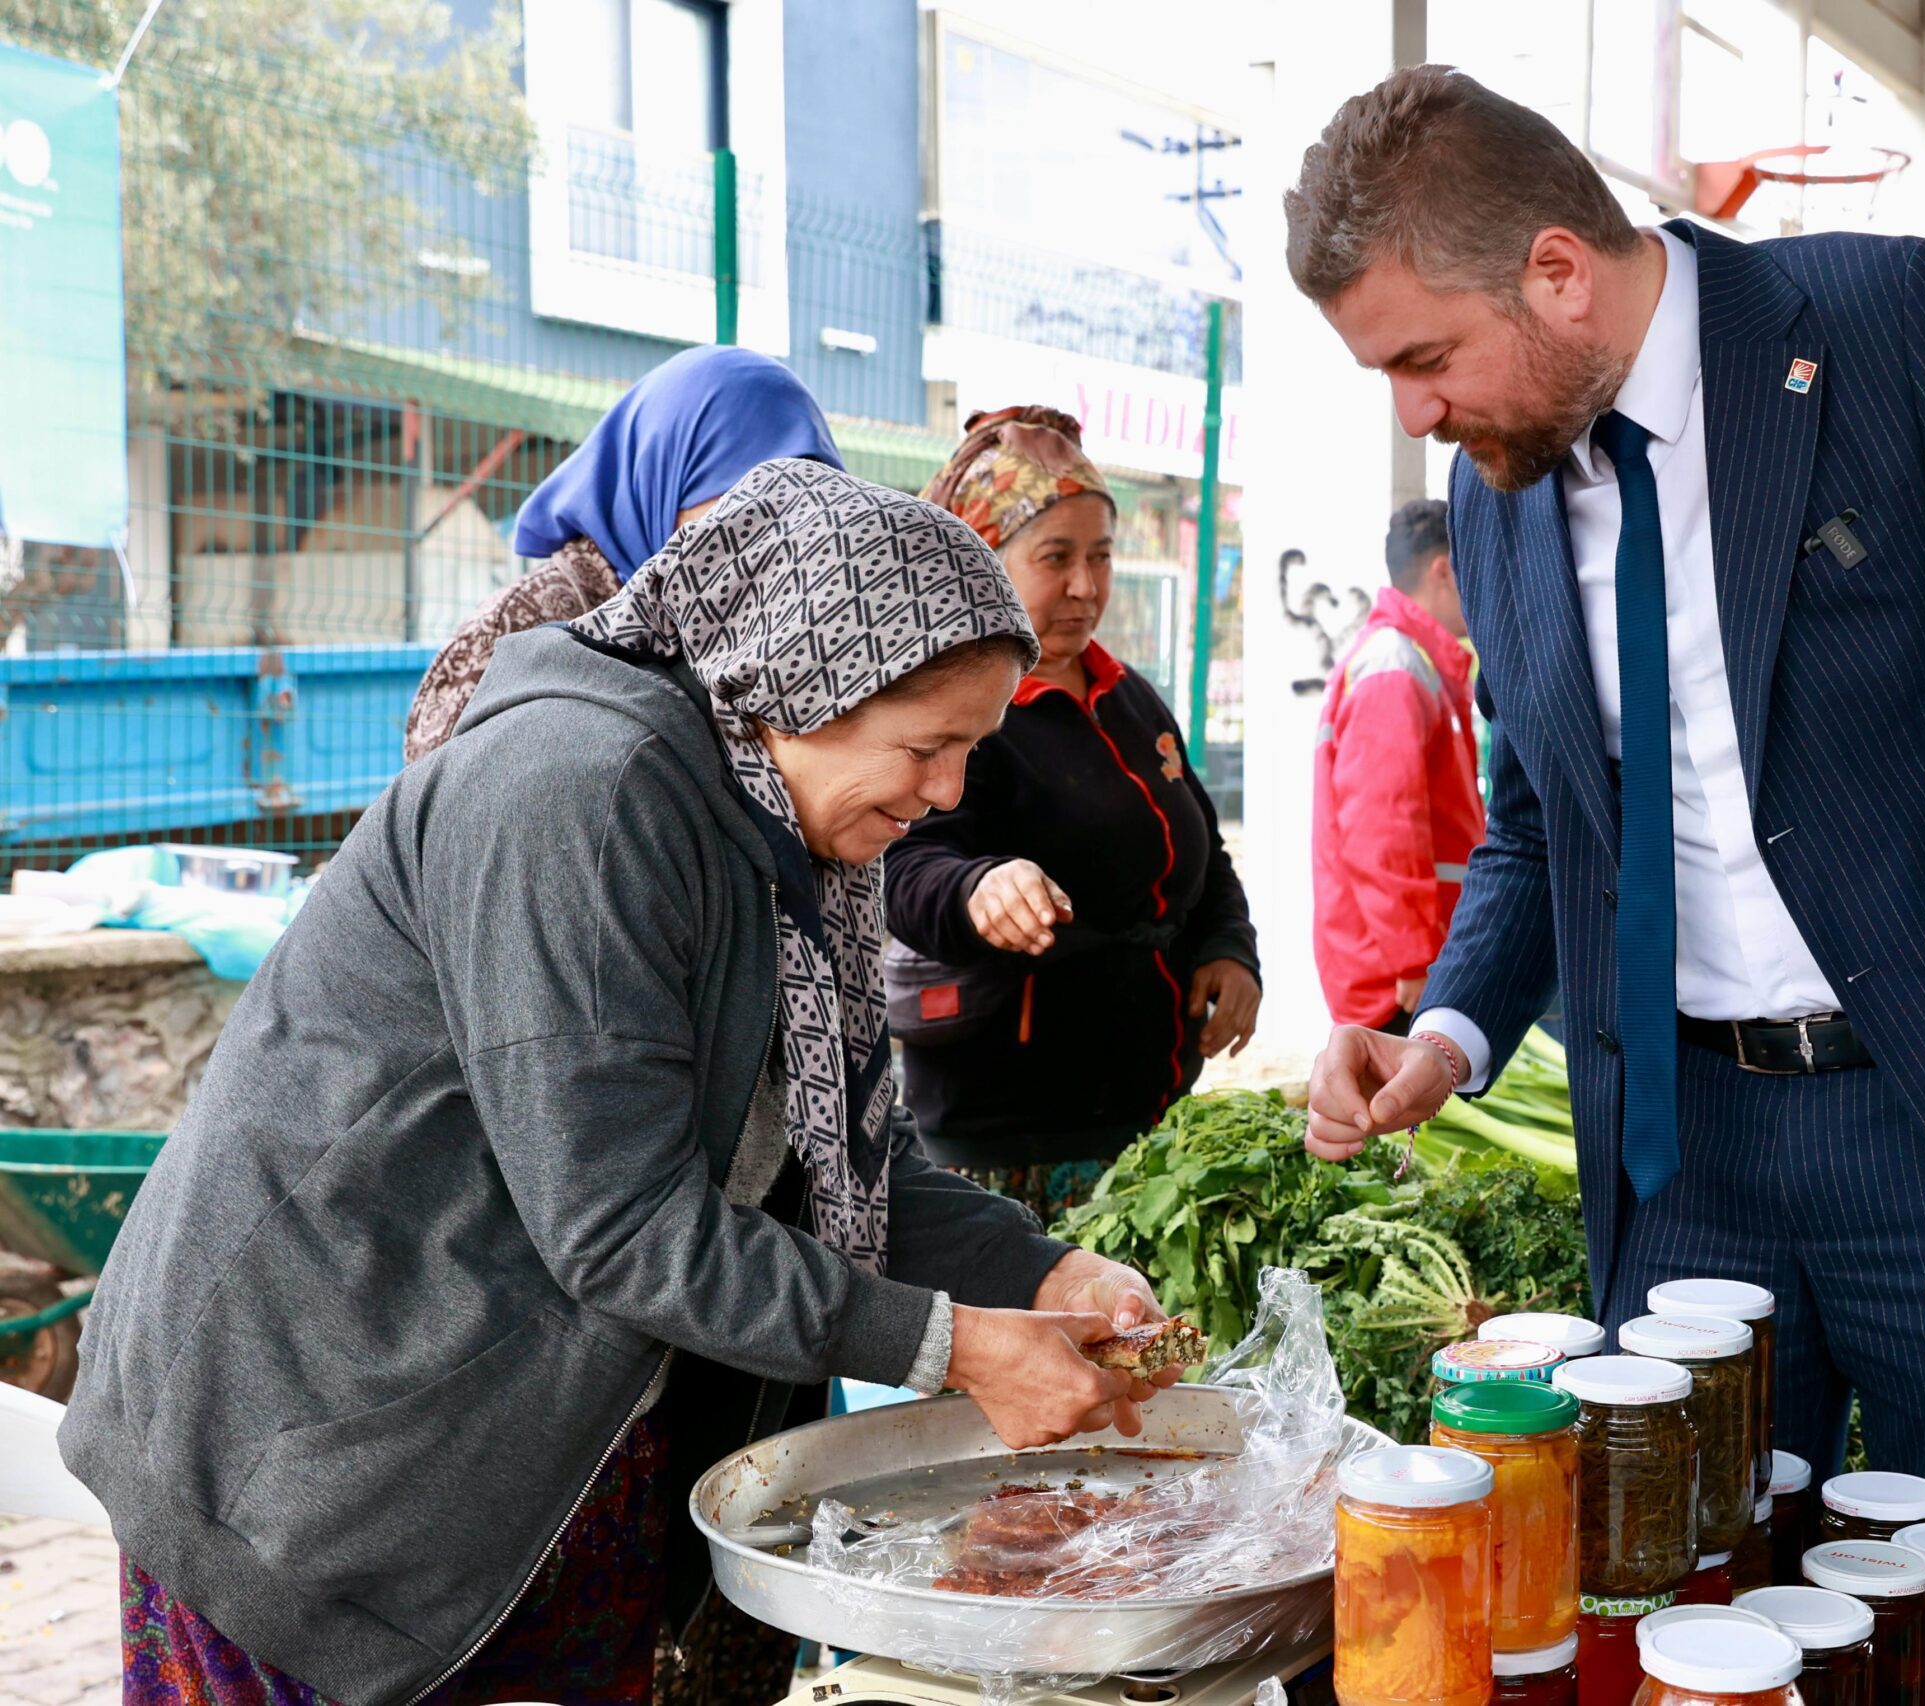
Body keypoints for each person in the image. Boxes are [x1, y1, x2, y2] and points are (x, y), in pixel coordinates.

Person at [1282, 67, 1925, 1662]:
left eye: (1426, 358)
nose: (1416, 415)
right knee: (1681, 1613)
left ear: (1558, 271)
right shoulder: (1495, 498)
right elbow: (1545, 820)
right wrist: (1447, 1031)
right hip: (1684, 1154)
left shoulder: (1902, 327)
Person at [66, 460, 1185, 1706]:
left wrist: (1035, 1268)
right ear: (797, 683)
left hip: (530, 1424)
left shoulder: (784, 825)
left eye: (970, 749)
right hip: (319, 1444)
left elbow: (830, 1158)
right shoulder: (578, 794)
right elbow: (623, 1222)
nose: (948, 795)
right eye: (928, 747)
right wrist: (954, 1345)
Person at [884, 406, 1259, 1223]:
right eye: (1056, 558)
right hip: (1010, 1141)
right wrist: (977, 888)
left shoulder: (1126, 694)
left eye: (1102, 556)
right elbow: (902, 867)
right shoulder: (948, 702)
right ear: (983, 559)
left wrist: (1230, 949)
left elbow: (1203, 853)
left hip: (1144, 1117)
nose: (1086, 586)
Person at [403, 343, 845, 760]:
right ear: (660, 477)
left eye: (797, 513)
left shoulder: (773, 638)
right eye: (743, 506)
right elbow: (441, 807)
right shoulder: (522, 626)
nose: (769, 539)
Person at [1312, 497, 1486, 1032]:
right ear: (1444, 571)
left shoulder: (1405, 660)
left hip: (1407, 960)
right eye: (1479, 564)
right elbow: (1383, 829)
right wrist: (1414, 958)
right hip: (1398, 977)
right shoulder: (1395, 665)